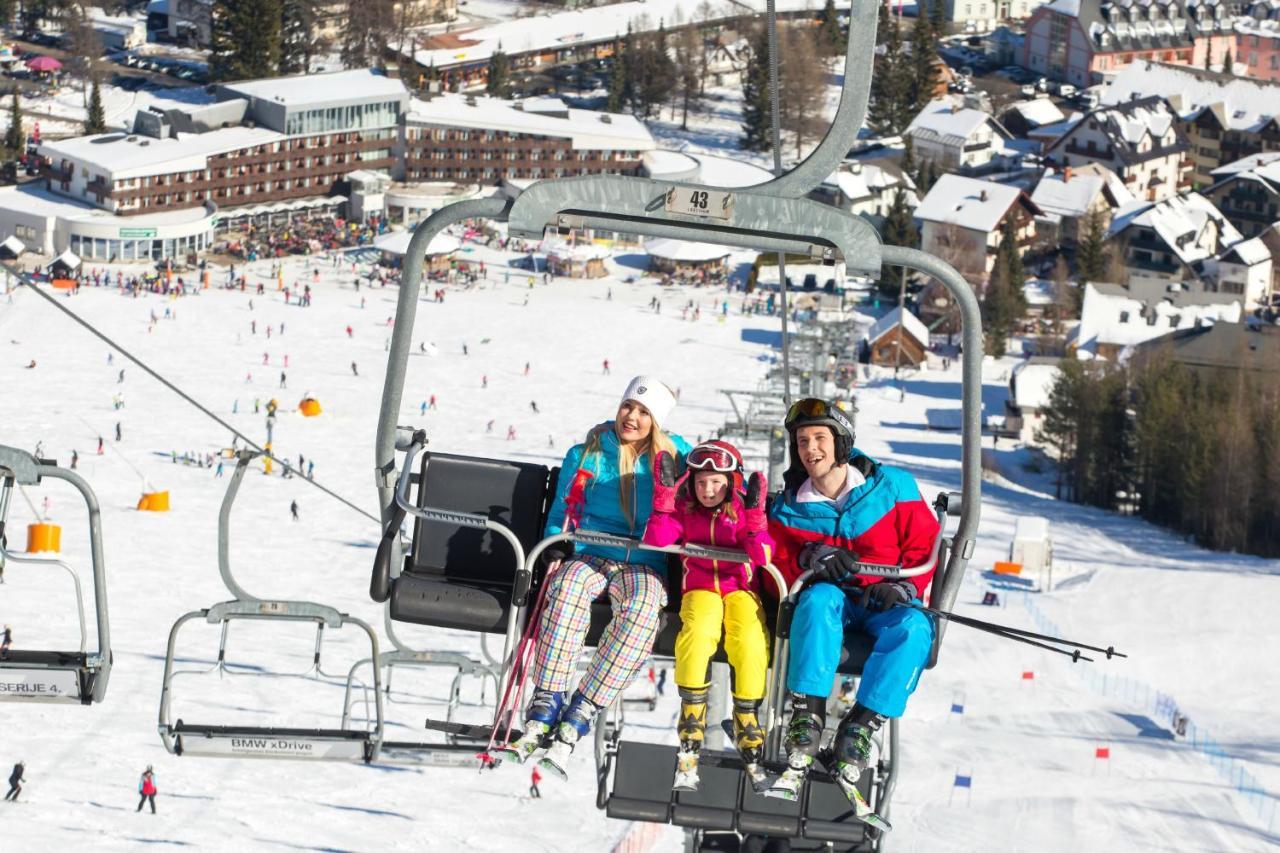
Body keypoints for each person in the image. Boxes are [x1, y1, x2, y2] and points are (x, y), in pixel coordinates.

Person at [500, 377, 689, 777]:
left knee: (641, 609)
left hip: (644, 561)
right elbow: (562, 509)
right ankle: (547, 699)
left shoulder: (675, 457)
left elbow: (716, 478)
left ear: (656, 421)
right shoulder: (588, 452)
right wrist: (554, 542)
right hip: (590, 550)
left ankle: (583, 707)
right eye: (628, 407)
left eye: (643, 412)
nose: (632, 417)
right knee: (566, 586)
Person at [767, 398, 939, 800]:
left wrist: (902, 588)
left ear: (841, 443)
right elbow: (773, 558)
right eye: (803, 441)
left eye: (820, 439)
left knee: (915, 628)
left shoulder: (892, 487)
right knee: (817, 600)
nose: (811, 450)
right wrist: (808, 557)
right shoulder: (791, 507)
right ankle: (807, 715)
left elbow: (925, 548)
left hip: (885, 601)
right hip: (833, 602)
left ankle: (860, 725)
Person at [642, 440, 774, 786]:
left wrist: (756, 523)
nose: (708, 490)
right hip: (699, 587)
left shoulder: (743, 510)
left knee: (749, 636)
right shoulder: (686, 509)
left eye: (716, 482)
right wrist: (664, 503)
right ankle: (692, 711)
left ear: (731, 481)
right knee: (698, 630)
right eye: (701, 482)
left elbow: (762, 557)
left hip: (740, 589)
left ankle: (747, 713)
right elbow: (658, 539)